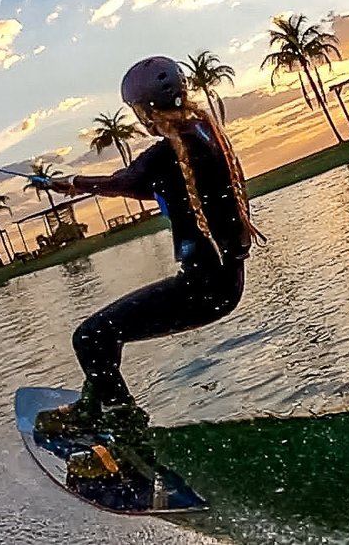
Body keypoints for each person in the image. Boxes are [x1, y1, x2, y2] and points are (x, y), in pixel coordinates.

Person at [33, 56, 264, 456]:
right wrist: (76, 185)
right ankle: (92, 410)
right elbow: (147, 187)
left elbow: (124, 181)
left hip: (204, 287)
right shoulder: (204, 132)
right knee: (106, 335)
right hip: (223, 282)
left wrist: (68, 183)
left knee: (91, 337)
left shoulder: (166, 153)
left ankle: (129, 439)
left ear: (143, 111)